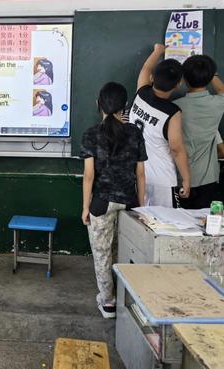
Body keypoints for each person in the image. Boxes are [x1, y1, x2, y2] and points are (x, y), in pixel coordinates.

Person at [81, 82, 147, 319]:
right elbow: (140, 174)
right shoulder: (135, 133)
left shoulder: (91, 134)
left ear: (98, 104)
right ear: (124, 107)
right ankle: (125, 299)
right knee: (124, 252)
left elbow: (89, 176)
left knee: (102, 254)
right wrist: (141, 206)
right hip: (129, 202)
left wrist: (85, 207)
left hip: (101, 203)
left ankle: (108, 303)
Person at [128, 43, 190, 207]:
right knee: (165, 220)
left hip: (135, 173)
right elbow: (176, 149)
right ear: (179, 84)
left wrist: (158, 51)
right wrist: (186, 178)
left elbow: (146, 68)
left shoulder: (141, 93)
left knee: (136, 219)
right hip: (161, 179)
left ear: (152, 78)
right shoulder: (172, 112)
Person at [174, 54, 224, 209]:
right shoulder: (219, 103)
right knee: (205, 221)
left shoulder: (174, 107)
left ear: (184, 79)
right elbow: (223, 91)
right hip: (207, 178)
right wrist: (212, 74)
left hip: (179, 176)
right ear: (210, 77)